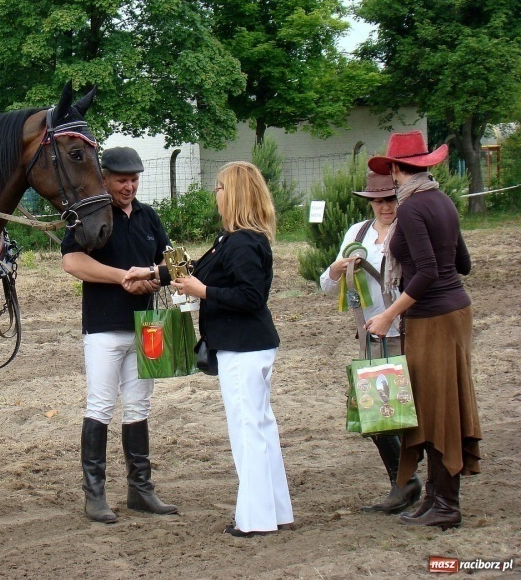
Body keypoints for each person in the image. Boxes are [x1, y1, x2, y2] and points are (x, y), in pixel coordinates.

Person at [125, 161, 293, 537]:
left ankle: (255, 520)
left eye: (218, 188)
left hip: (243, 348)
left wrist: (204, 293)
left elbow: (251, 297)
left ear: (232, 194)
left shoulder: (245, 242)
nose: (214, 194)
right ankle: (276, 511)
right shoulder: (230, 239)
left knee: (248, 431)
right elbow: (195, 267)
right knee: (261, 428)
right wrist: (151, 272)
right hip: (247, 346)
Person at [363, 130, 481, 529]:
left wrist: (387, 313)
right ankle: (435, 497)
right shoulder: (442, 200)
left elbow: (429, 271)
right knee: (439, 404)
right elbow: (461, 263)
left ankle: (446, 504)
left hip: (433, 317)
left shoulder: (411, 209)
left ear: (396, 168)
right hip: (454, 312)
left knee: (437, 408)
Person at [61, 146, 178, 524]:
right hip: (104, 327)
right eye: (122, 180)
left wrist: (152, 276)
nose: (129, 187)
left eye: (134, 180)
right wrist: (123, 276)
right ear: (105, 178)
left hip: (147, 325)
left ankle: (140, 489)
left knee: (139, 406)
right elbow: (72, 261)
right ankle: (94, 494)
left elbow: (168, 260)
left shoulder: (148, 216)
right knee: (100, 406)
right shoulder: (90, 215)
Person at [320, 171, 422, 514]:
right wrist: (336, 270)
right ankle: (402, 482)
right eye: (377, 200)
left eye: (390, 199)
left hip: (410, 332)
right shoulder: (356, 234)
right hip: (371, 336)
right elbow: (328, 287)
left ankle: (427, 483)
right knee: (377, 414)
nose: (384, 206)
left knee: (417, 413)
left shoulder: (409, 229)